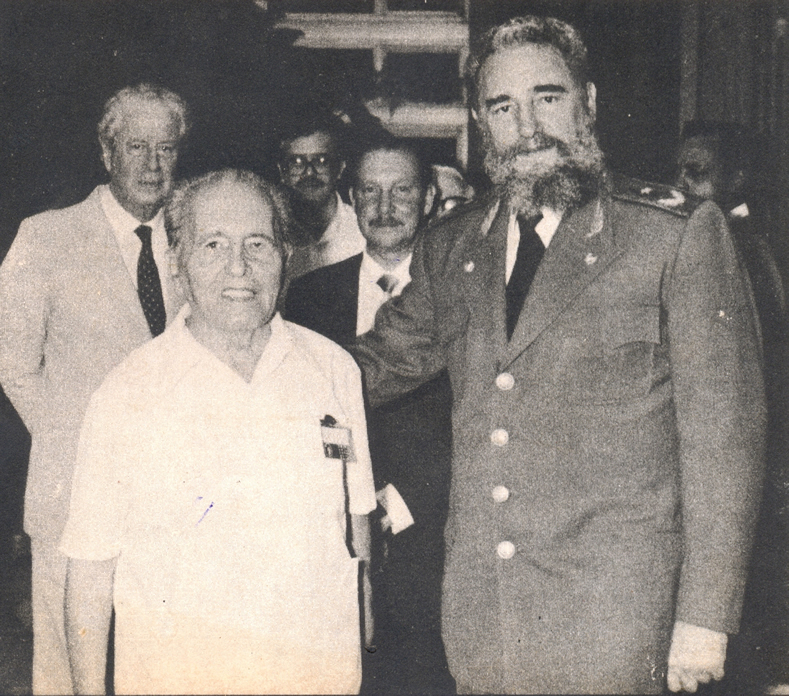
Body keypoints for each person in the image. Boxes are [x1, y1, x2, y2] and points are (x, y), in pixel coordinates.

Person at [353, 15, 766, 694]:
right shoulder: (452, 246)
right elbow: (368, 368)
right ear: (481, 124)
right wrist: (243, 359)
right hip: (486, 625)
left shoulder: (673, 234)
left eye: (547, 97)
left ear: (588, 103)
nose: (528, 126)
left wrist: (705, 618)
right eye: (502, 107)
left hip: (618, 625)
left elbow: (724, 443)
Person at [59, 169, 375, 695]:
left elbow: (356, 514)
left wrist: (362, 612)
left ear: (286, 256)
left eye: (258, 243)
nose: (239, 267)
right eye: (213, 245)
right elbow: (90, 571)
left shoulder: (333, 369)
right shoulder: (127, 392)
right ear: (176, 261)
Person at [0, 83, 187, 694]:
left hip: (178, 492)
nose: (153, 165)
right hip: (72, 488)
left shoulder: (197, 237)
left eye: (166, 148)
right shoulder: (45, 236)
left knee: (165, 657)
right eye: (136, 147)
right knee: (67, 666)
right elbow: (12, 362)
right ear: (107, 153)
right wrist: (75, 441)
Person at [285, 134, 455, 694]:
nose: (384, 207)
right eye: (370, 191)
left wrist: (397, 502)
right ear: (352, 198)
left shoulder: (462, 295)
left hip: (436, 537)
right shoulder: (306, 297)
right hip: (336, 535)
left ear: (428, 199)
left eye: (401, 190)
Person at [678, 121, 789, 694]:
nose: (681, 185)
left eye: (697, 173)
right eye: (678, 171)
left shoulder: (747, 246)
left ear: (738, 177)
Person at [277, 110, 366, 280]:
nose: (309, 172)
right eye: (297, 162)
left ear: (340, 168)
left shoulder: (363, 232)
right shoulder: (271, 231)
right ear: (282, 171)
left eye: (321, 161)